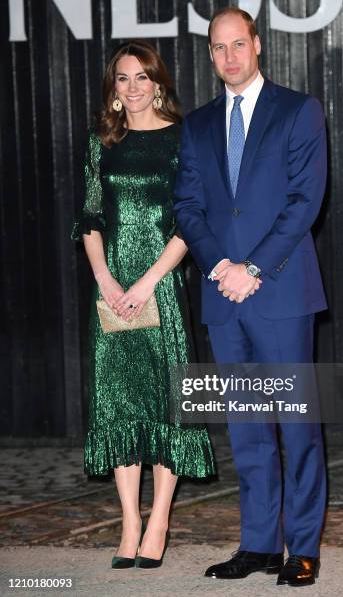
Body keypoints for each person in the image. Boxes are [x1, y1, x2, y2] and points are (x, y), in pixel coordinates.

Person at [174, 8, 327, 587]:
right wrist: (219, 267)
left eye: (239, 44)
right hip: (222, 295)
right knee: (246, 427)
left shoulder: (298, 110)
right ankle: (259, 544)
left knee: (297, 427)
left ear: (257, 45)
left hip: (280, 291)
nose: (230, 56)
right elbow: (187, 206)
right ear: (210, 54)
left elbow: (304, 201)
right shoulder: (198, 124)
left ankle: (303, 547)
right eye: (219, 48)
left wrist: (253, 267)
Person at [72, 40, 215, 570]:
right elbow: (88, 216)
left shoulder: (184, 139)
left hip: (161, 291)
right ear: (113, 89)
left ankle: (159, 521)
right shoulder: (101, 141)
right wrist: (107, 280)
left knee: (167, 402)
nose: (132, 88)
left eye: (141, 77)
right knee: (120, 404)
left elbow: (189, 222)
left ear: (159, 83)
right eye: (122, 79)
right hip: (110, 293)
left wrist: (150, 281)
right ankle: (130, 520)